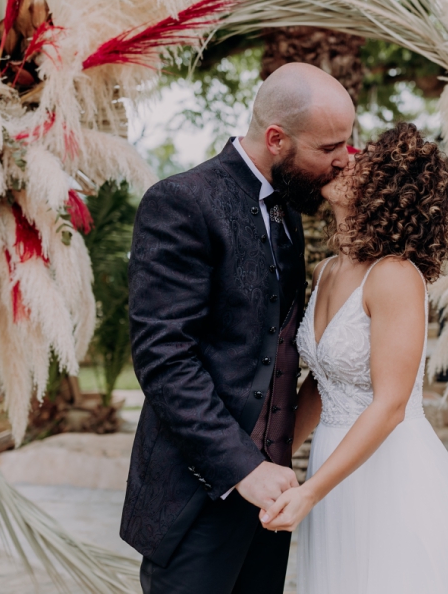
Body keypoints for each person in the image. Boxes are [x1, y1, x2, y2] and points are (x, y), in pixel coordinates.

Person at [123, 62, 357, 594]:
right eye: (329, 147)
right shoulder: (181, 201)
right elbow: (164, 358)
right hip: (194, 497)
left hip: (269, 504)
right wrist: (242, 469)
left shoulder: (290, 210)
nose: (345, 159)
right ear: (277, 138)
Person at [261, 123, 448, 594]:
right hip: (331, 469)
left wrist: (309, 493)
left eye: (365, 164)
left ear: (387, 192)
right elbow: (322, 382)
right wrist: (274, 456)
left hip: (390, 472)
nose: (345, 162)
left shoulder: (395, 276)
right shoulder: (328, 269)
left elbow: (391, 404)